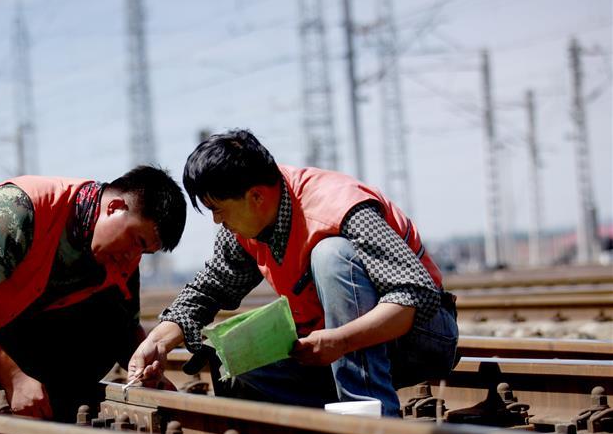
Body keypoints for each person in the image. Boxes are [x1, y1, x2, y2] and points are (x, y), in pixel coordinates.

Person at [128, 130, 458, 417]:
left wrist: (341, 340)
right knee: (236, 362)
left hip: (420, 335)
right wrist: (157, 342)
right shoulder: (246, 225)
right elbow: (208, 290)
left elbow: (416, 296)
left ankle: (372, 422)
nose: (217, 221)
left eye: (218, 209)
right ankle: (318, 429)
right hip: (335, 345)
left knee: (332, 255)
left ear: (256, 196)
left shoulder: (338, 205)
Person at [0, 166, 186, 422]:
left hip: (11, 333)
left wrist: (152, 376)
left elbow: (125, 331)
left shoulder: (122, 257)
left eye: (145, 251)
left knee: (107, 320)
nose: (134, 255)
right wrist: (13, 378)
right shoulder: (22, 207)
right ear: (115, 207)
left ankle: (54, 401)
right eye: (136, 240)